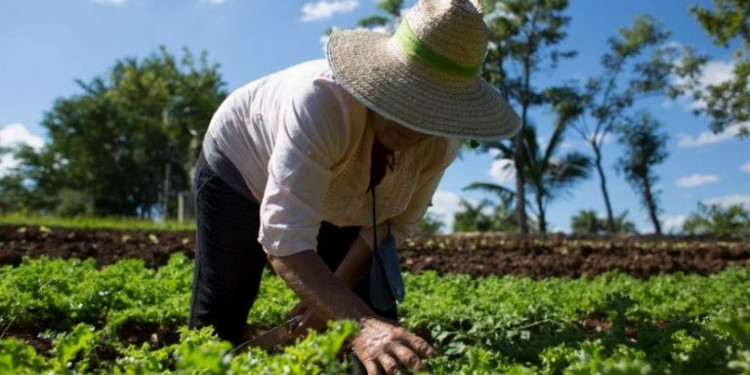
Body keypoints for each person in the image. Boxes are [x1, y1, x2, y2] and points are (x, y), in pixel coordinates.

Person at [188, 0, 521, 373]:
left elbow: (387, 227)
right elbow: (284, 239)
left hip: (337, 195)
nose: (413, 124)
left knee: (377, 329)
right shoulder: (323, 103)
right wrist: (359, 325)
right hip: (239, 163)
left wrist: (332, 306)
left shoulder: (440, 146)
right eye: (405, 98)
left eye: (430, 110)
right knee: (223, 310)